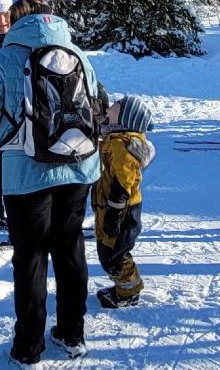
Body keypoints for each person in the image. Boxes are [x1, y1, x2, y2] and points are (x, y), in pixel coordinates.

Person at [0, 0, 104, 364]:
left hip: (25, 172)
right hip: (77, 167)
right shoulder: (78, 54)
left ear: (15, 21)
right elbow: (98, 106)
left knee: (30, 258)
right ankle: (73, 332)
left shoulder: (4, 59)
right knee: (70, 248)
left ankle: (29, 346)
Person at [93, 94, 156, 309]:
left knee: (115, 254)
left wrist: (113, 213)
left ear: (125, 118)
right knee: (107, 251)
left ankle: (129, 291)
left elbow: (123, 185)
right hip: (110, 207)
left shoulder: (123, 146)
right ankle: (125, 286)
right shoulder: (114, 140)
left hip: (121, 210)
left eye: (116, 106)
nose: (110, 107)